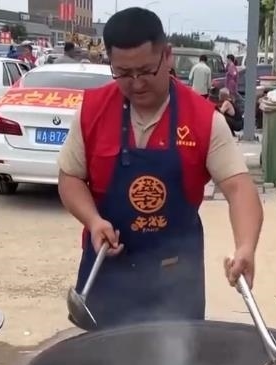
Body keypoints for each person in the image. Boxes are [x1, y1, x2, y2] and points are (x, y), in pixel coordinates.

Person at [56, 7, 263, 330]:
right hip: (107, 271)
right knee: (100, 359)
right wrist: (93, 221)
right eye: (124, 74)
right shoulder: (92, 111)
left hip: (175, 278)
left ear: (167, 56)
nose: (136, 83)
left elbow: (239, 189)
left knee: (175, 357)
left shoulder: (204, 120)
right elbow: (70, 178)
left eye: (145, 71)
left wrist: (246, 247)